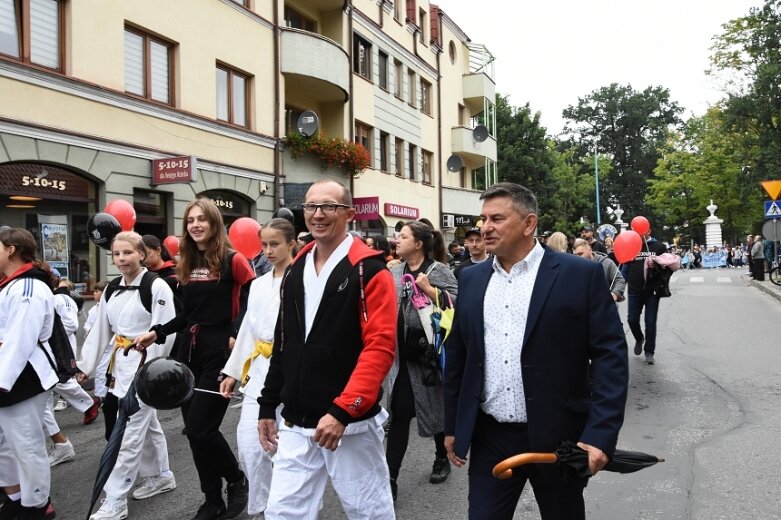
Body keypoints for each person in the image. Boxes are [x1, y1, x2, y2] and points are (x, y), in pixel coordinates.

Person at [443, 183, 628, 520]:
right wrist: (454, 424)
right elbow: (458, 354)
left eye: (496, 218)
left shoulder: (579, 275)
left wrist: (601, 434)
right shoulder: (471, 278)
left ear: (528, 224)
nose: (485, 227)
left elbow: (609, 357)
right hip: (491, 436)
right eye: (483, 218)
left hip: (559, 437)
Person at [257, 179, 396, 520]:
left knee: (369, 512)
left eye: (329, 207)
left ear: (349, 213)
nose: (318, 214)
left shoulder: (370, 271)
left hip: (349, 425)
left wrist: (343, 412)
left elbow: (379, 349)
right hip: (296, 420)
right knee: (281, 514)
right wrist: (267, 403)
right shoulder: (296, 269)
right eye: (311, 207)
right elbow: (284, 342)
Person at [135, 198, 255, 520]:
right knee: (194, 429)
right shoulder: (185, 262)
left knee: (202, 429)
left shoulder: (234, 260)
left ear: (214, 223)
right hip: (189, 350)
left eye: (202, 219)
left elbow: (253, 302)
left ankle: (236, 478)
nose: (196, 225)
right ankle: (212, 499)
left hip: (221, 353)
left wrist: (237, 333)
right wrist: (157, 333)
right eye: (191, 220)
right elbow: (187, 315)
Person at [77, 232, 178, 520]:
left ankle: (115, 498)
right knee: (147, 424)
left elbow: (166, 331)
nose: (121, 259)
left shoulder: (156, 286)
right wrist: (85, 364)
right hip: (120, 364)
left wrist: (154, 373)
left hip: (146, 368)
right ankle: (161, 474)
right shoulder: (111, 289)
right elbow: (102, 331)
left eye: (127, 253)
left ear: (141, 254)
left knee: (130, 431)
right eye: (116, 254)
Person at [218, 218, 295, 520]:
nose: (268, 251)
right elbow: (249, 331)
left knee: (287, 449)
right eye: (264, 245)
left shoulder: (302, 280)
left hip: (291, 372)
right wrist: (233, 372)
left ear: (292, 244)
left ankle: (286, 508)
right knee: (250, 446)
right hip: (259, 372)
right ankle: (264, 506)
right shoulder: (259, 284)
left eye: (275, 244)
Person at [386, 220, 458, 501]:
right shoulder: (395, 272)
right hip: (402, 359)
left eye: (403, 236)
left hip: (430, 358)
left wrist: (430, 290)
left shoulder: (438, 270)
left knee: (435, 411)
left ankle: (441, 456)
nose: (397, 240)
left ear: (418, 243)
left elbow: (458, 303)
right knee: (400, 414)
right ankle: (390, 478)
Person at [0, 228, 59, 519]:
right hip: (10, 376)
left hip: (23, 377)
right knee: (4, 444)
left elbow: (19, 340)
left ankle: (37, 505)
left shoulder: (28, 288)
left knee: (26, 444)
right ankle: (15, 496)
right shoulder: (9, 285)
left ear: (10, 249)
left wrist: (1, 383)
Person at [621, 224, 669, 365]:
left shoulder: (658, 246)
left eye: (643, 231)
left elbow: (668, 267)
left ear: (649, 230)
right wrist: (619, 289)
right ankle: (639, 338)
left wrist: (656, 265)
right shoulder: (631, 247)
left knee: (650, 322)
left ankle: (649, 352)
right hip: (634, 290)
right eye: (637, 231)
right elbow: (625, 269)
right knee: (632, 320)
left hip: (652, 291)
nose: (640, 234)